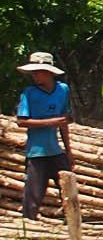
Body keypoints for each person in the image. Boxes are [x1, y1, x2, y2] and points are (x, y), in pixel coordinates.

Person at [15, 51, 72, 220]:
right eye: (33, 72)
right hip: (36, 152)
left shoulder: (62, 90)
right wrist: (51, 122)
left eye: (37, 71)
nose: (34, 75)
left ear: (49, 72)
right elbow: (21, 121)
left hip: (55, 151)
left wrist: (69, 151)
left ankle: (70, 224)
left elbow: (64, 122)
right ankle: (29, 227)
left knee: (68, 190)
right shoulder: (29, 93)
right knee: (32, 197)